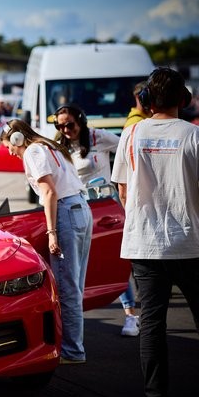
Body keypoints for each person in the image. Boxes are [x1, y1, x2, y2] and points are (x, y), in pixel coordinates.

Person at [110, 67, 199, 397]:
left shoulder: (131, 134)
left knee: (152, 325)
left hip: (144, 245)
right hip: (190, 243)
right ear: (184, 99)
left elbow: (122, 191)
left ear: (146, 99)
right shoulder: (193, 135)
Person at [1, 118, 92, 365]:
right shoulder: (51, 146)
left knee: (66, 287)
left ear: (17, 139)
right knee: (75, 285)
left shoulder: (32, 151)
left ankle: (72, 351)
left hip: (65, 212)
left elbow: (49, 191)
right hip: (81, 208)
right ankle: (75, 346)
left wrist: (51, 232)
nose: (10, 151)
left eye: (9, 146)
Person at [54, 103, 139, 336]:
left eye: (69, 124)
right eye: (60, 126)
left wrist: (123, 182)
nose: (65, 130)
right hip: (75, 209)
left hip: (103, 208)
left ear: (81, 120)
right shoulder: (59, 146)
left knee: (112, 260)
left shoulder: (97, 137)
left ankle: (131, 315)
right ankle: (74, 319)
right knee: (78, 265)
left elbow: (128, 150)